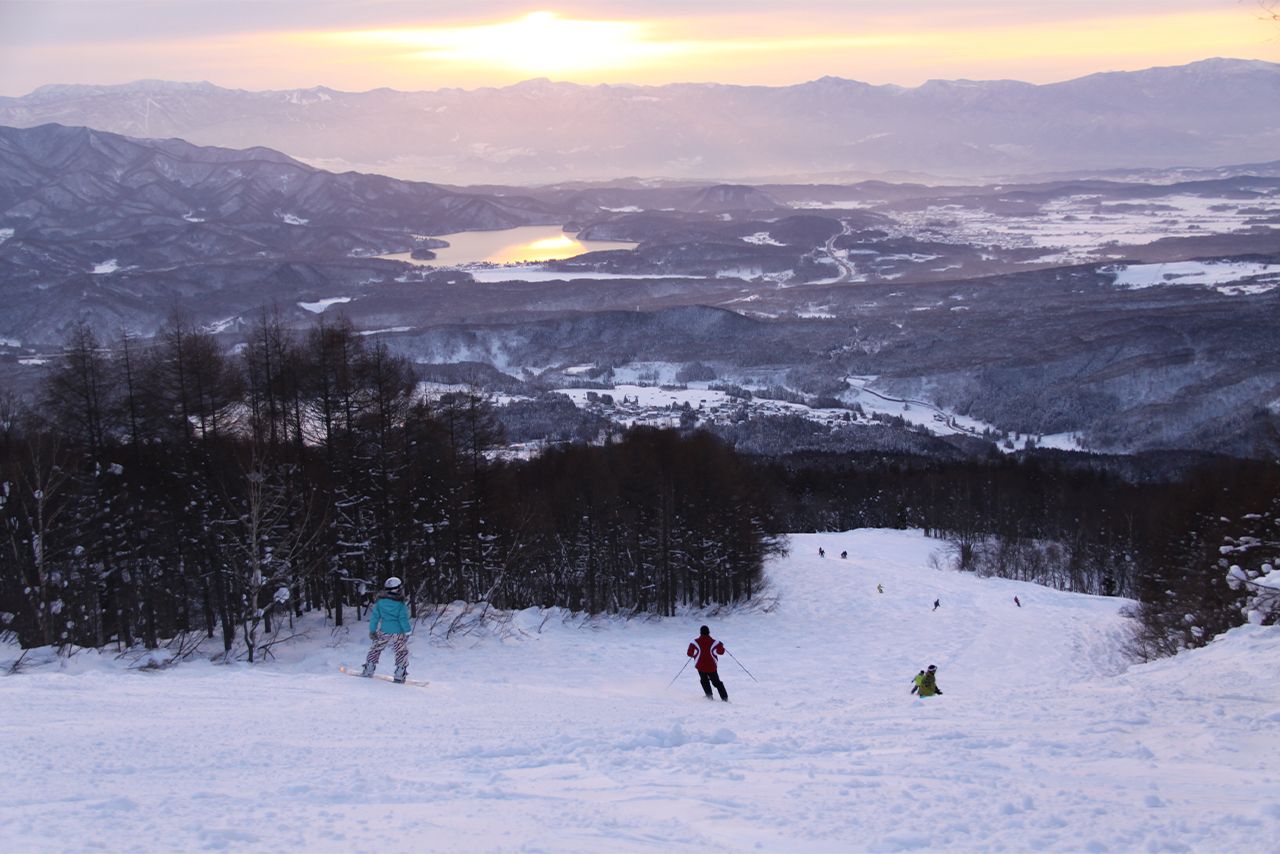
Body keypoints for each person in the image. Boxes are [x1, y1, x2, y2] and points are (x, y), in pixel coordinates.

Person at [362, 576, 412, 683]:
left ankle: (369, 667)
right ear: (398, 589)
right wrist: (407, 630)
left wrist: (372, 630)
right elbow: (403, 618)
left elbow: (375, 617)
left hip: (384, 630)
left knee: (376, 648)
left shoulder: (380, 603)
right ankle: (399, 672)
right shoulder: (400, 604)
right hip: (398, 632)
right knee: (401, 652)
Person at [687, 625, 729, 702]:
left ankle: (709, 696)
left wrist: (695, 655)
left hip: (700, 666)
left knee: (704, 681)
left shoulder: (694, 642)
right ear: (709, 632)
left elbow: (689, 653)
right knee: (717, 682)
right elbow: (721, 652)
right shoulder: (715, 642)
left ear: (700, 633)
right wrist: (721, 645)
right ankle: (724, 698)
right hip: (711, 666)